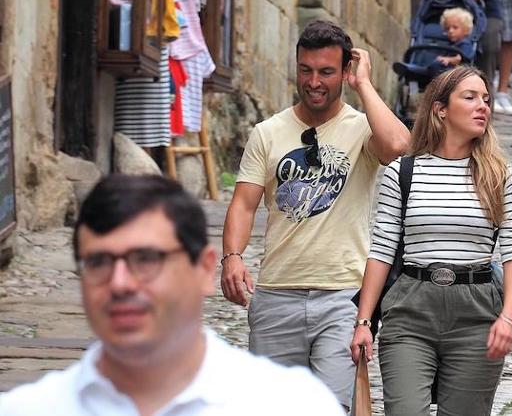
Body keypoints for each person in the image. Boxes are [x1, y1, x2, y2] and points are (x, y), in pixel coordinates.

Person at [0, 175, 343, 415]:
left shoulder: (288, 405)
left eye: (146, 259)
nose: (121, 283)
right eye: (99, 262)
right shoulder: (30, 409)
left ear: (205, 269)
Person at [218, 20, 409, 407]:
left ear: (344, 72)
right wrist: (232, 257)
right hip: (275, 294)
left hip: (342, 297)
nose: (314, 81)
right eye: (306, 70)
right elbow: (243, 202)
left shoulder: (361, 129)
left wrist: (365, 86)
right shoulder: (268, 132)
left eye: (326, 72)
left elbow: (397, 145)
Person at [350, 66, 512, 415]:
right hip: (410, 310)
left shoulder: (502, 175)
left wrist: (508, 316)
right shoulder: (403, 172)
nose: (483, 107)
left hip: (476, 312)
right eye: (470, 97)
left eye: (487, 100)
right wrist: (364, 322)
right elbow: (382, 249)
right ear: (440, 109)